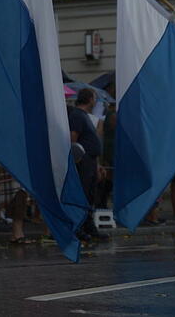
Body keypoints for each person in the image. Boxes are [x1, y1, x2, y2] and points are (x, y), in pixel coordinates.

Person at [68, 88, 109, 242]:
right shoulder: (77, 115)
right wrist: (76, 159)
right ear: (90, 99)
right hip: (82, 161)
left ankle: (89, 226)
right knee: (83, 194)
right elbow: (73, 138)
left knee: (90, 195)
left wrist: (97, 165)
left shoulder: (85, 116)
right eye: (95, 98)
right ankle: (78, 227)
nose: (96, 101)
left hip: (90, 161)